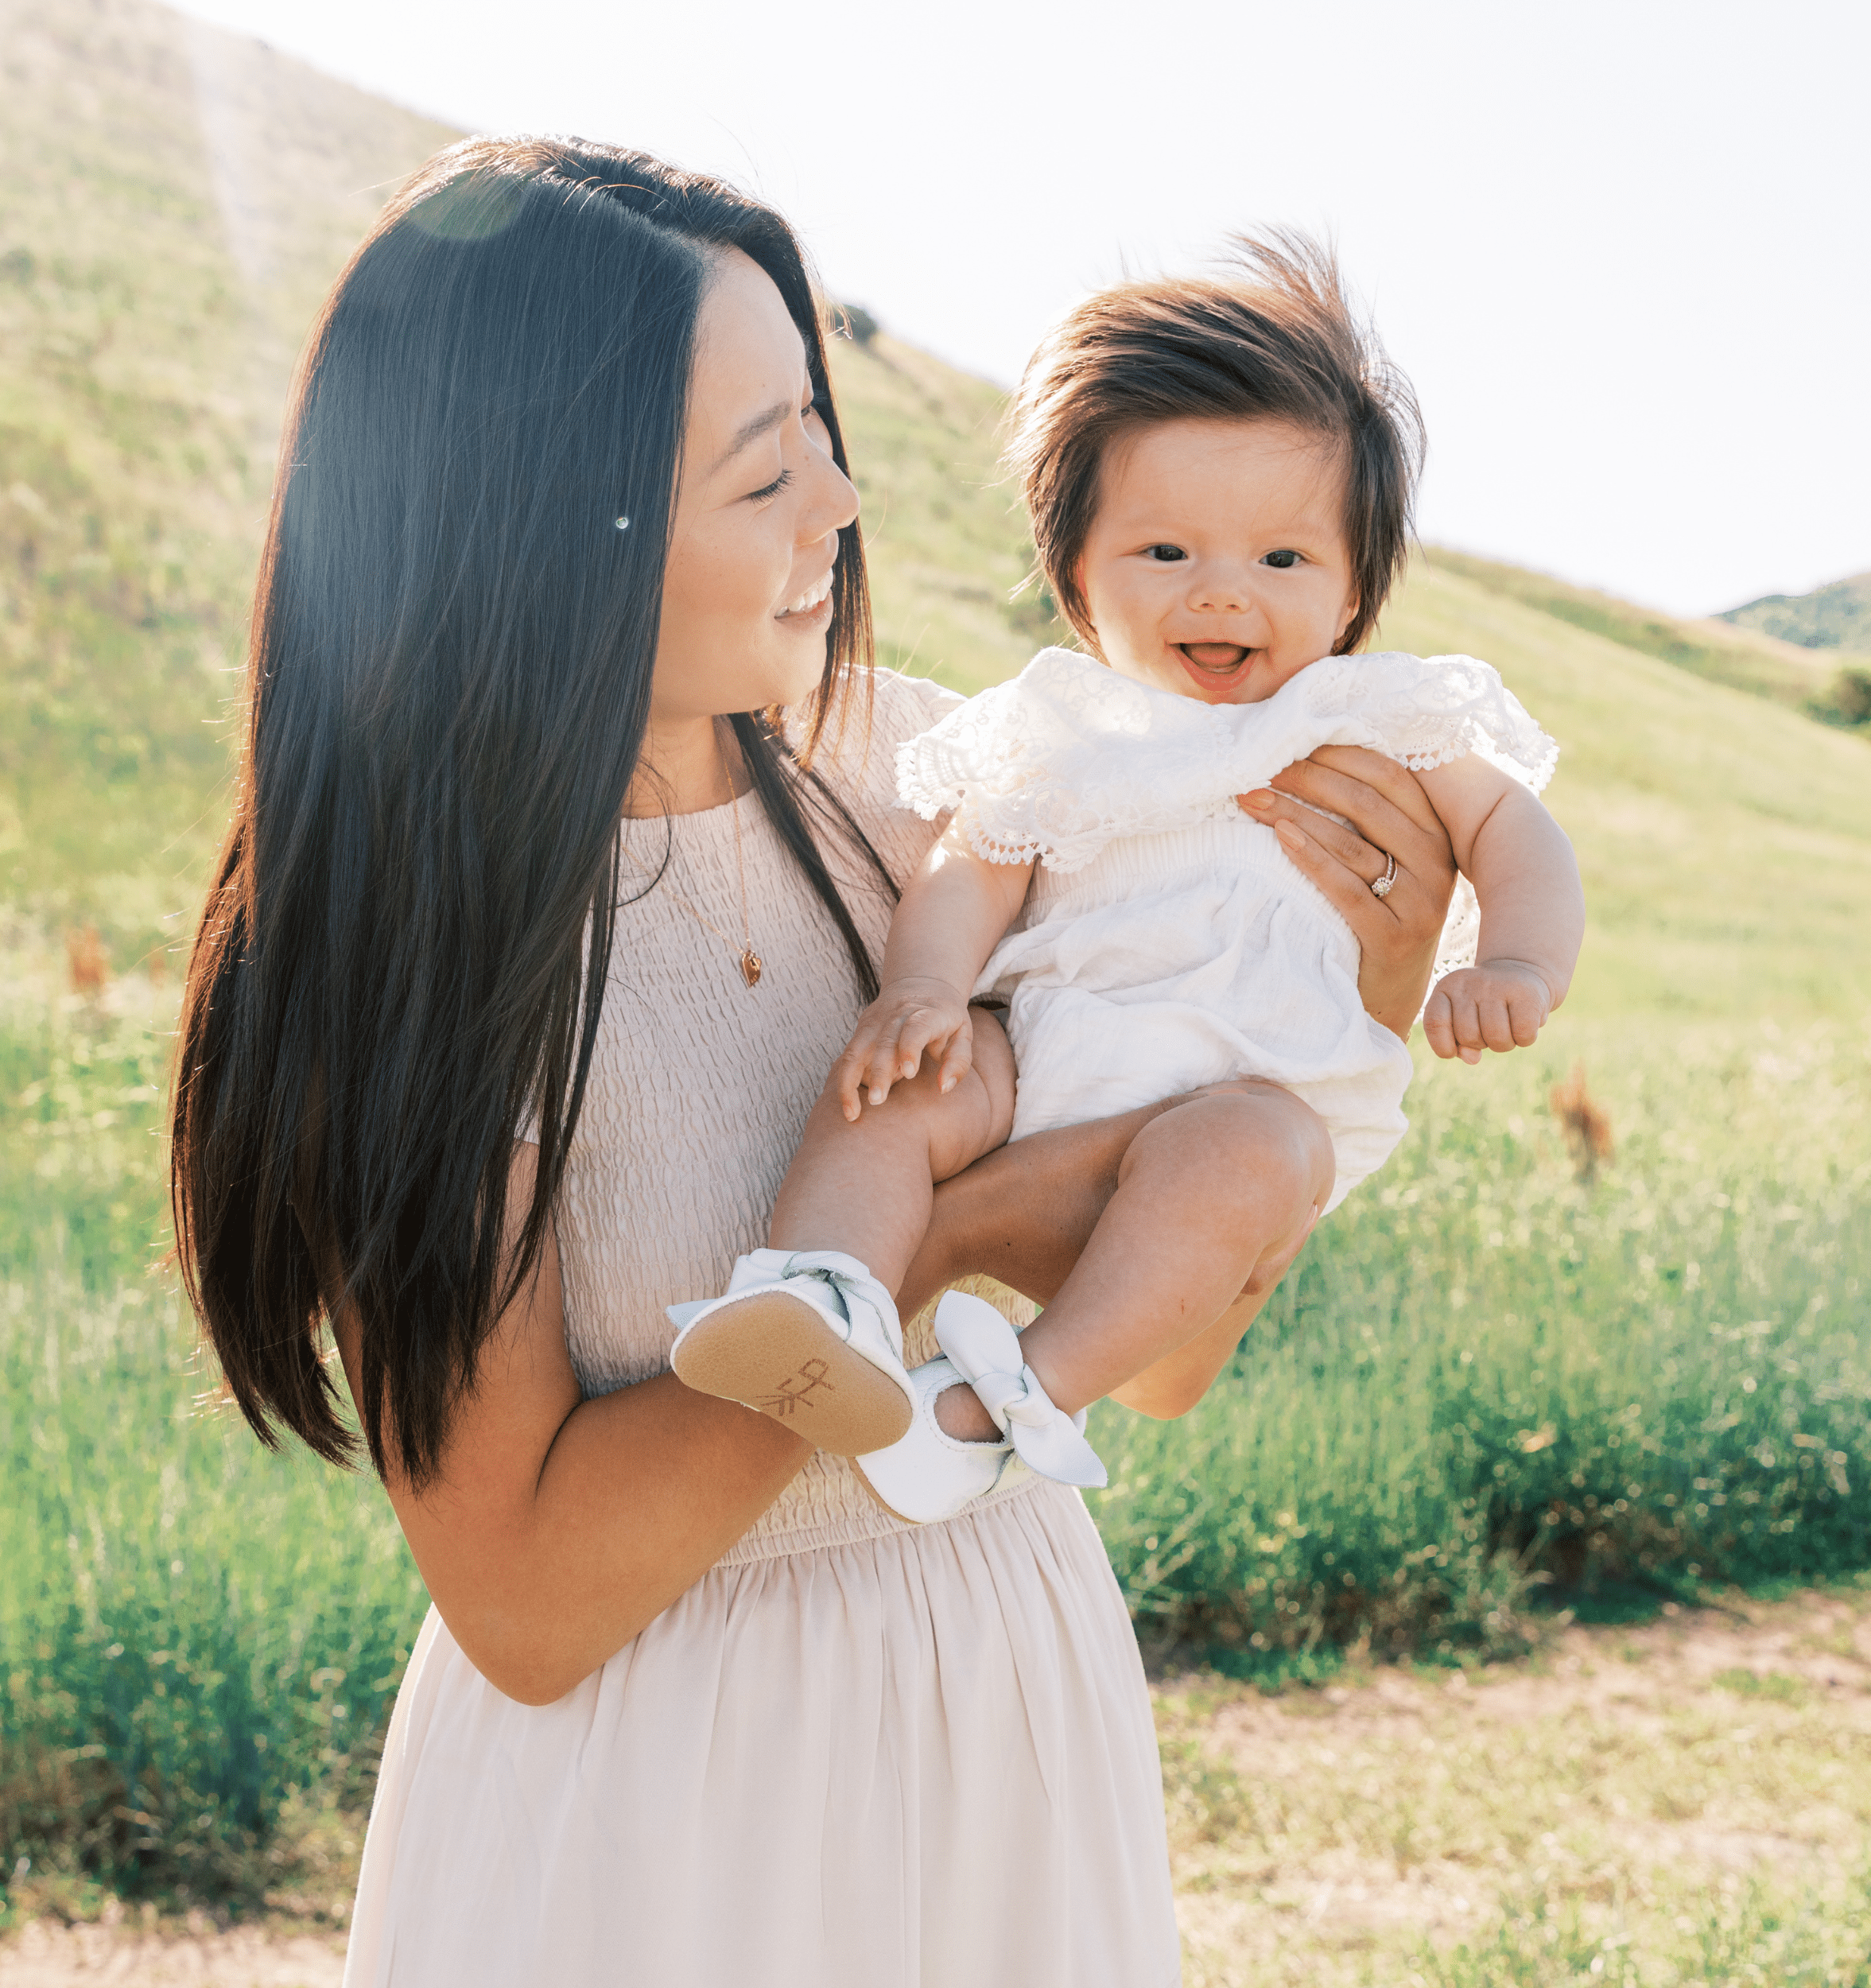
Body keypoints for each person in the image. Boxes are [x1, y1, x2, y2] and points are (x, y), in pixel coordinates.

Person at [169, 142, 1461, 1987]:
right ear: (555, 516)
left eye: (821, 430)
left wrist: (1351, 1005)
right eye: (766, 467)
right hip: (665, 1809)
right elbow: (527, 1601)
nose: (840, 503)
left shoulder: (944, 793)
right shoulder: (417, 940)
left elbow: (1165, 1364)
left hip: (1003, 1698)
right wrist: (913, 1248)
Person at [667, 239, 1585, 1524]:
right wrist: (925, 987)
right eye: (1164, 552)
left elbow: (1517, 833)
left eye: (1282, 561)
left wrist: (1516, 963)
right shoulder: (1063, 726)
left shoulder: (1376, 715)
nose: (1223, 592)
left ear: (1358, 585)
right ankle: (823, 1296)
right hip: (1043, 1049)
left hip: (1242, 1091)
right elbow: (972, 861)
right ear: (1076, 575)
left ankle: (1004, 1405)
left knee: (1248, 1155)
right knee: (903, 1077)